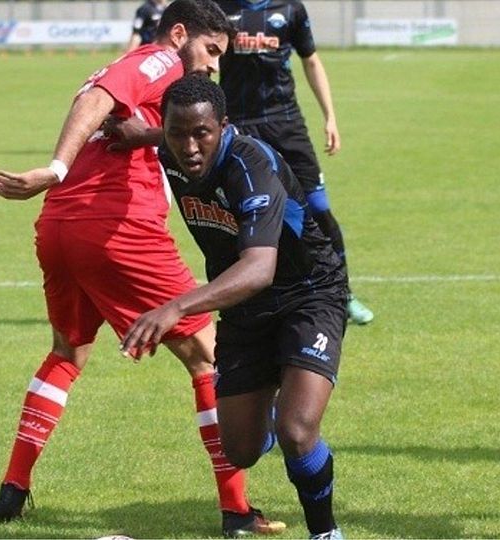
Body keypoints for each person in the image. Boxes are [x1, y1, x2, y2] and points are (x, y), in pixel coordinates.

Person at [0, 2, 285, 537]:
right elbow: (97, 97)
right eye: (210, 50)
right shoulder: (159, 61)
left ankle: (13, 488)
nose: (213, 66)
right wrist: (54, 167)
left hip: (59, 229)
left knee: (66, 353)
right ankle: (237, 511)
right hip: (115, 230)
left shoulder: (164, 87)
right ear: (179, 34)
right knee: (207, 358)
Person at [120, 74, 347, 540]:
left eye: (202, 132)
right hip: (245, 311)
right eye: (177, 133)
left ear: (223, 127)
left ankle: (325, 532)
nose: (190, 147)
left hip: (308, 292)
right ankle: (271, 398)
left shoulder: (250, 164)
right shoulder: (170, 148)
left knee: (297, 432)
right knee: (240, 450)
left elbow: (259, 268)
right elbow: (144, 134)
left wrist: (175, 309)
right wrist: (123, 133)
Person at [213, 0, 374, 326]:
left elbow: (311, 61)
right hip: (237, 123)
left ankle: (343, 294)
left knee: (318, 206)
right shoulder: (219, 7)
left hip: (284, 121)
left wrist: (330, 117)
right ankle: (247, 299)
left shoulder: (291, 9)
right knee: (237, 213)